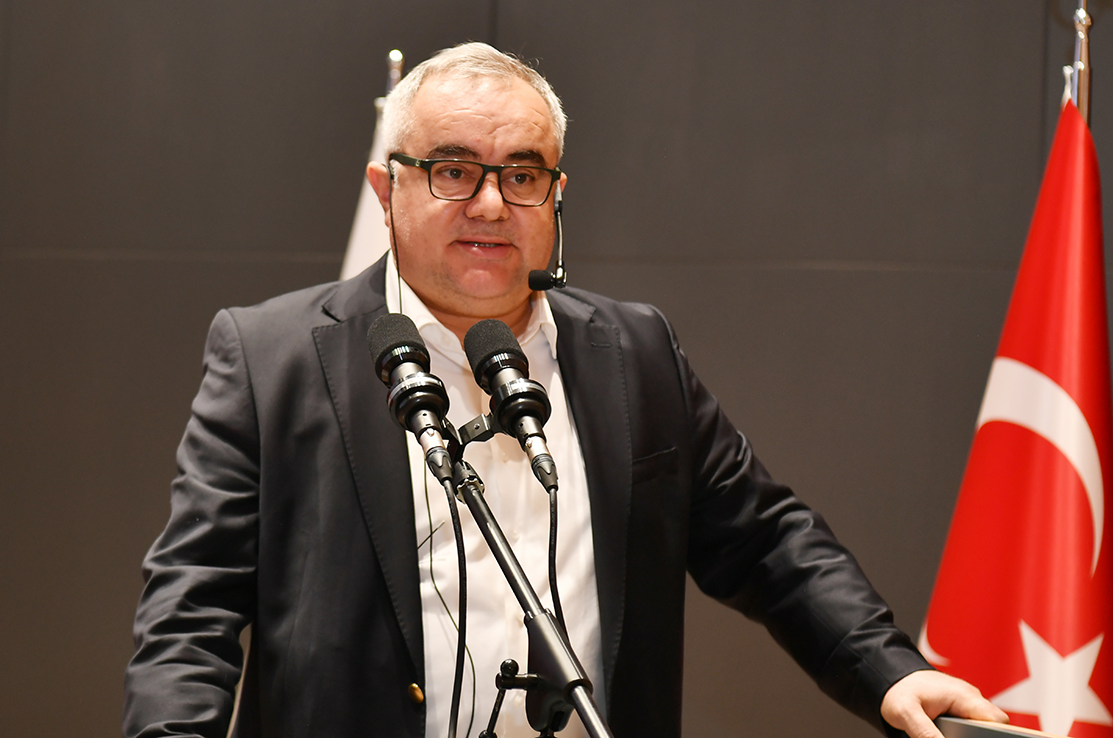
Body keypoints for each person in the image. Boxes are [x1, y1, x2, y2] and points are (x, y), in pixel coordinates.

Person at [124, 43, 1007, 738]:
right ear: (386, 190)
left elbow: (765, 540)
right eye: (452, 169)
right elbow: (192, 606)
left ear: (556, 195)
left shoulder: (633, 352)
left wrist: (890, 669)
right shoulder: (271, 357)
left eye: (522, 174)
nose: (489, 204)